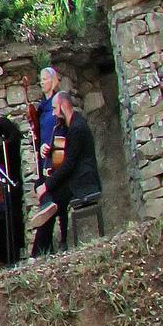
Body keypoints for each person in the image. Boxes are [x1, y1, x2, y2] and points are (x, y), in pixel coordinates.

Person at [31, 88, 102, 245]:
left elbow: (68, 165)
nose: (55, 114)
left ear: (63, 106)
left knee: (50, 196)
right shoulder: (71, 124)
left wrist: (47, 186)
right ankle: (48, 206)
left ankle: (39, 249)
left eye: (55, 109)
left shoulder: (77, 128)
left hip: (82, 182)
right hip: (75, 177)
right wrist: (49, 152)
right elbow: (63, 154)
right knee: (43, 188)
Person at [29, 66, 63, 256]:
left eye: (45, 79)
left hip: (58, 157)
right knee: (43, 192)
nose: (41, 82)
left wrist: (51, 146)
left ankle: (39, 251)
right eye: (40, 79)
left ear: (53, 80)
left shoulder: (58, 102)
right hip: (45, 160)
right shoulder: (42, 108)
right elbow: (40, 134)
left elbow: (59, 129)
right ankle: (42, 250)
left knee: (46, 194)